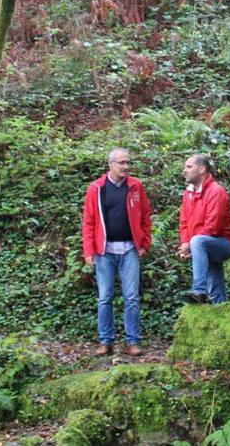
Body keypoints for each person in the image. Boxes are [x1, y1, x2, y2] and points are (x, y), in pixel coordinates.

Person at [81, 148, 152, 356]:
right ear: (110, 164)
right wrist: (89, 251)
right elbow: (89, 222)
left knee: (131, 298)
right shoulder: (96, 188)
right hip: (104, 251)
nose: (126, 167)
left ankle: (132, 342)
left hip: (130, 249)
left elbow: (146, 216)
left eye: (128, 162)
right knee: (105, 297)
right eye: (122, 163)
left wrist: (144, 244)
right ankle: (106, 342)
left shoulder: (136, 186)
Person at [177, 154, 230, 304]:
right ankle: (221, 308)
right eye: (185, 167)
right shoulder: (188, 193)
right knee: (216, 284)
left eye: (189, 167)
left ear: (202, 169)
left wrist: (192, 245)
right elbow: (184, 222)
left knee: (198, 241)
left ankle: (199, 290)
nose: (184, 170)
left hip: (223, 242)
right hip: (203, 243)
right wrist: (185, 243)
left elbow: (213, 227)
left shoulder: (216, 191)